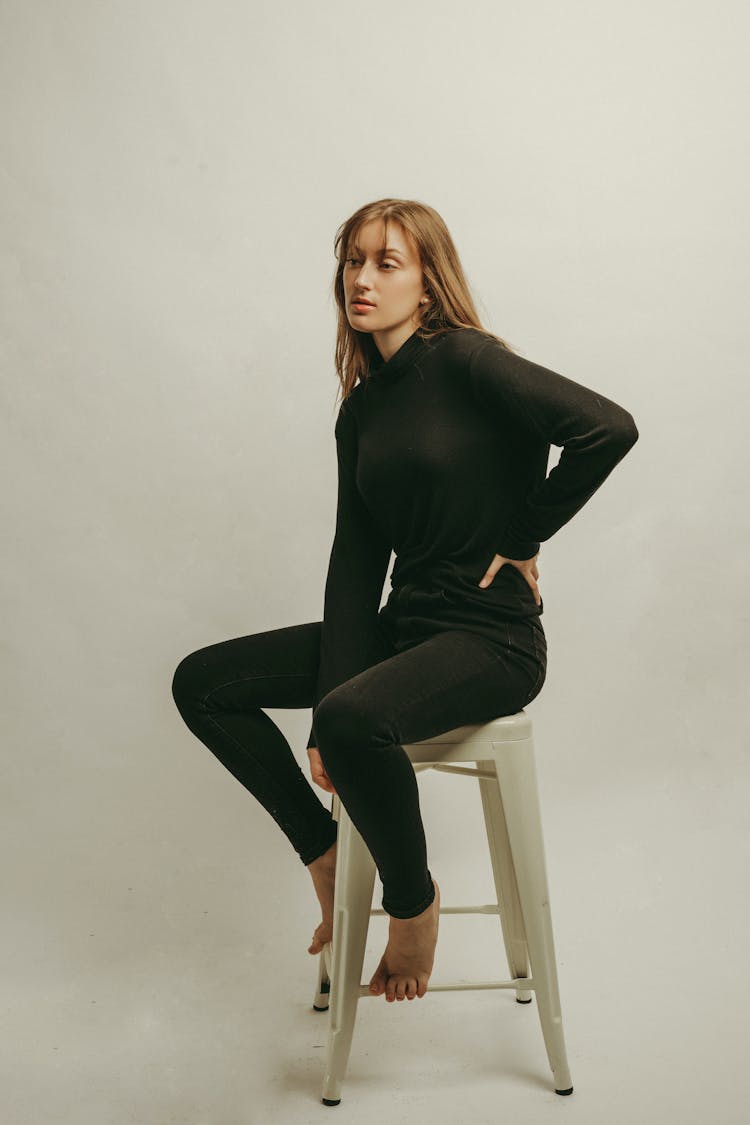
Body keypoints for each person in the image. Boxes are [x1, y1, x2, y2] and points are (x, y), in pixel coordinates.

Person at [171, 197, 639, 1006]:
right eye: (354, 260)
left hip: (491, 640)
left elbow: (607, 426)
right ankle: (323, 858)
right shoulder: (362, 411)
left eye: (387, 262)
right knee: (204, 682)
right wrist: (327, 697)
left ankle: (412, 906)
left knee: (354, 719)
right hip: (405, 632)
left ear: (426, 284)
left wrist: (526, 535)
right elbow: (356, 562)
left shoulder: (468, 360)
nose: (362, 278)